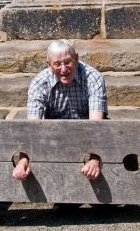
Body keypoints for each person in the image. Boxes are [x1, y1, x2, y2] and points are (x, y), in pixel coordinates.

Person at [12, 39, 108, 181]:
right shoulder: (39, 83)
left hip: (88, 134)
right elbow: (32, 127)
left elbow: (96, 125)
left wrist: (95, 160)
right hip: (54, 137)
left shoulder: (93, 78)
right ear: (49, 65)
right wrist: (23, 159)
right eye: (57, 64)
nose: (63, 69)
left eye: (68, 62)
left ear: (76, 59)